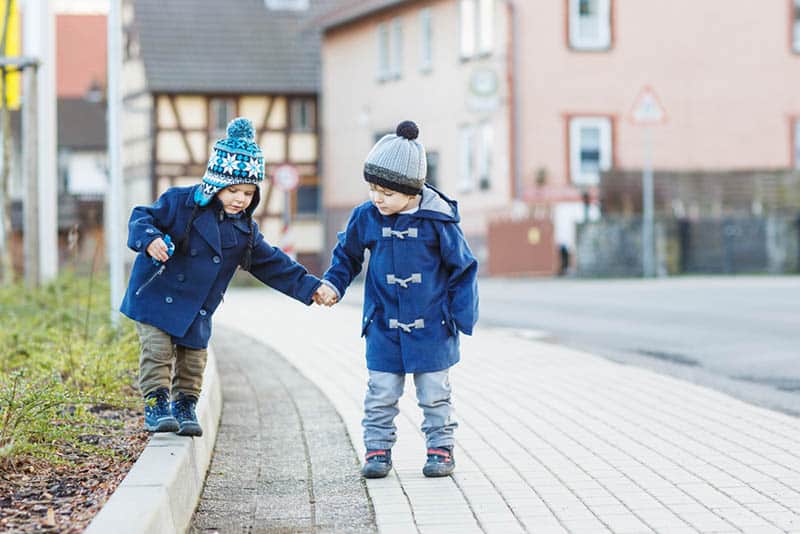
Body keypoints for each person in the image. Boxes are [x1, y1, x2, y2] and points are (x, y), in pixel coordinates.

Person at [121, 117, 328, 437]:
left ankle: (185, 405)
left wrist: (311, 287)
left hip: (198, 307)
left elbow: (272, 263)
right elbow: (141, 217)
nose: (239, 199)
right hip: (155, 292)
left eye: (248, 192)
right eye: (232, 190)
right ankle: (156, 403)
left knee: (193, 359)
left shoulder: (244, 231)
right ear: (215, 183)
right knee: (158, 350)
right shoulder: (181, 202)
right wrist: (150, 240)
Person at [315, 120, 479, 478]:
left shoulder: (438, 221)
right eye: (373, 189)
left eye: (387, 193)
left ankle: (440, 448)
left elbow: (463, 268)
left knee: (434, 392)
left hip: (433, 324)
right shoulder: (367, 216)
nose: (378, 198)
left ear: (411, 192)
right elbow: (347, 256)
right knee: (381, 392)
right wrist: (333, 284)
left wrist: (459, 316)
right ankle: (377, 451)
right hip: (384, 323)